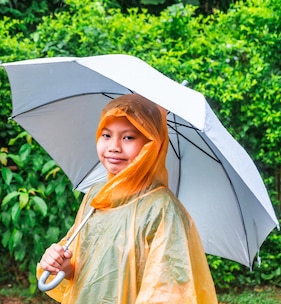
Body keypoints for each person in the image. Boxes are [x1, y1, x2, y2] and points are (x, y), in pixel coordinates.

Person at [37, 93, 218, 303]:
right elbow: (84, 268)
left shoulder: (161, 209)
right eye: (106, 135)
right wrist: (62, 265)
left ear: (152, 145)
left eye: (128, 137)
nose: (114, 146)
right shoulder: (97, 195)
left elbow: (169, 292)